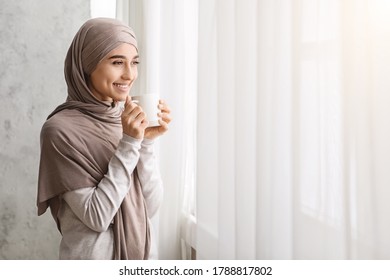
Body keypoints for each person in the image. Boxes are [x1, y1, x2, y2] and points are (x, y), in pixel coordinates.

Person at [36, 17, 171, 260]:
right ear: (87, 64)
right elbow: (98, 217)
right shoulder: (59, 131)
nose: (129, 74)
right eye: (117, 62)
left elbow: (149, 208)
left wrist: (146, 142)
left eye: (134, 62)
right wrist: (130, 143)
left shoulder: (124, 120)